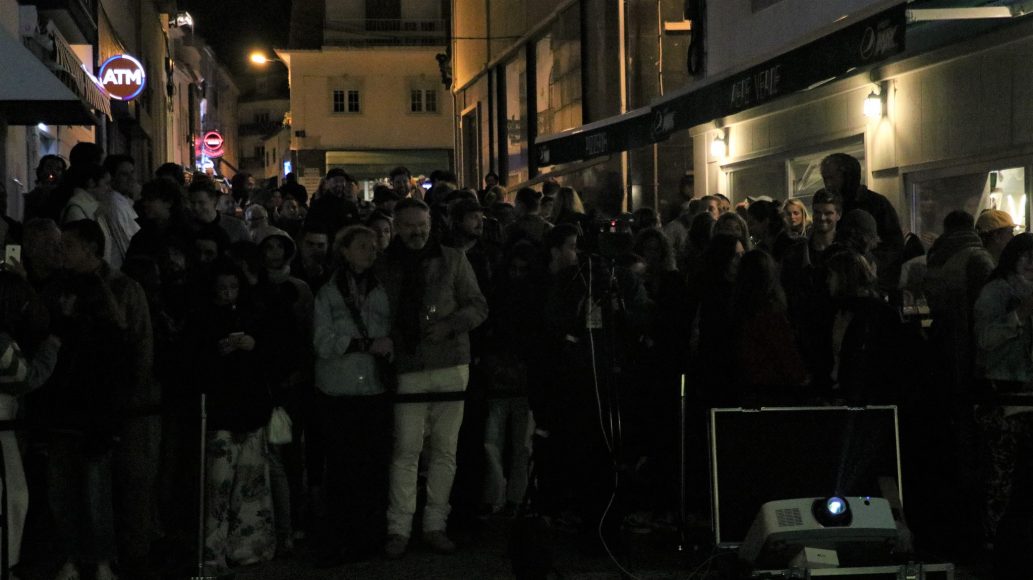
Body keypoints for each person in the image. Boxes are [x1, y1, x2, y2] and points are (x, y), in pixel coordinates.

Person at [376, 198, 488, 558]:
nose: (417, 232)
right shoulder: (385, 266)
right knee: (407, 449)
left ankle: (434, 523)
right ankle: (400, 527)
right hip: (410, 364)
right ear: (396, 226)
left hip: (450, 362)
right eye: (409, 225)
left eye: (421, 225)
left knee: (443, 451)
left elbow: (477, 305)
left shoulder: (453, 260)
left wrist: (451, 326)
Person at [312, 225, 394, 565]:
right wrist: (366, 345)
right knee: (343, 468)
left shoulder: (382, 288)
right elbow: (322, 343)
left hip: (372, 387)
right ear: (344, 251)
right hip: (340, 389)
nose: (370, 251)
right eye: (362, 246)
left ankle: (369, 537)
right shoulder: (329, 292)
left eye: (373, 246)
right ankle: (341, 537)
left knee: (373, 466)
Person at [40, 272, 129, 580]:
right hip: (83, 424)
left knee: (83, 498)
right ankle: (93, 560)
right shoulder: (106, 333)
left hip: (79, 424)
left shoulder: (85, 334)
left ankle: (85, 558)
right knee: (78, 497)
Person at [189, 260, 275, 574]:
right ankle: (214, 551)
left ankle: (247, 548)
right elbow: (193, 364)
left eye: (233, 287)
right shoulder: (203, 320)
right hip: (221, 413)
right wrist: (217, 353)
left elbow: (271, 356)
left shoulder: (253, 315)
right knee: (219, 485)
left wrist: (254, 346)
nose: (228, 294)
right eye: (222, 288)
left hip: (249, 410)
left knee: (248, 484)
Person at [972, 233, 1033, 574]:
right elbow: (985, 340)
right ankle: (994, 542)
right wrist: (1019, 316)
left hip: (1025, 397)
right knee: (1001, 479)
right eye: (1025, 257)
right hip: (1004, 399)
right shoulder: (997, 292)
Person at [0, 271, 60, 578]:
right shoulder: (2, 341)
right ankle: (5, 564)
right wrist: (52, 345)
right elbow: (27, 377)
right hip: (2, 429)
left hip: (6, 424)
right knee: (13, 498)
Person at [821, 153, 904, 294]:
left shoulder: (876, 204)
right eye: (825, 179)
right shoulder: (830, 207)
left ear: (847, 177)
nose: (828, 184)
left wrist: (866, 264)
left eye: (832, 178)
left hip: (871, 288)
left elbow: (894, 246)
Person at [188, 179, 250, 243]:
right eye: (192, 203)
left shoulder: (236, 226)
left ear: (214, 200)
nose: (196, 207)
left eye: (201, 203)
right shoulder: (187, 228)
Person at [306, 169, 360, 237]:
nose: (339, 184)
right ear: (327, 182)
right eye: (336, 181)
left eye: (342, 181)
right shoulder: (318, 205)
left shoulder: (350, 206)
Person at [23, 155, 67, 222]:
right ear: (41, 171)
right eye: (49, 167)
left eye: (58, 169)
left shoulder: (64, 195)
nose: (53, 171)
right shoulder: (31, 197)